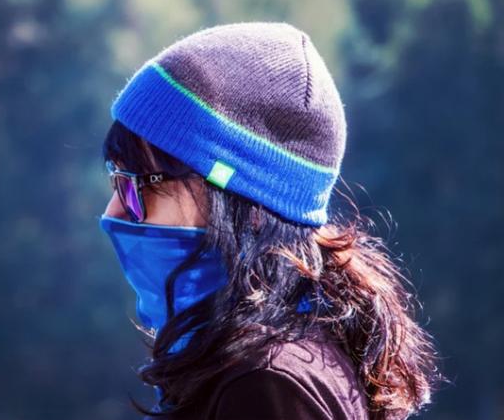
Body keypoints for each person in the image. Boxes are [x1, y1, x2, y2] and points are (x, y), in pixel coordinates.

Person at [97, 22, 444, 420]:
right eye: (114, 181)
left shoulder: (265, 384)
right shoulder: (260, 362)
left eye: (136, 184)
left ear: (242, 199)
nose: (113, 212)